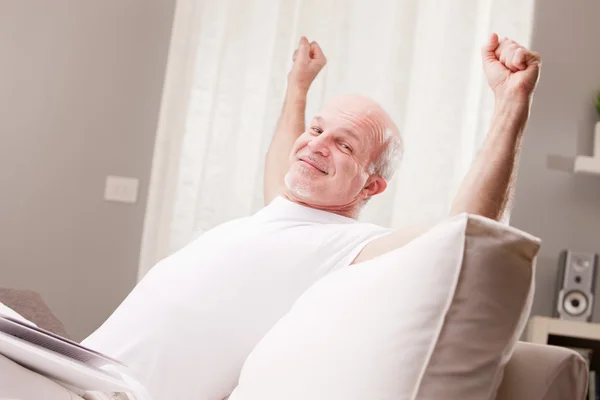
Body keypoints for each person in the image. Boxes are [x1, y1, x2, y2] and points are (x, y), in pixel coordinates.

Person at [81, 34, 541, 400]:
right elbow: (289, 152)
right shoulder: (280, 217)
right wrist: (298, 85)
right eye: (317, 130)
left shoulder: (353, 246)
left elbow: (466, 233)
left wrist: (511, 104)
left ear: (371, 186)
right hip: (75, 366)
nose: (316, 145)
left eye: (345, 145)